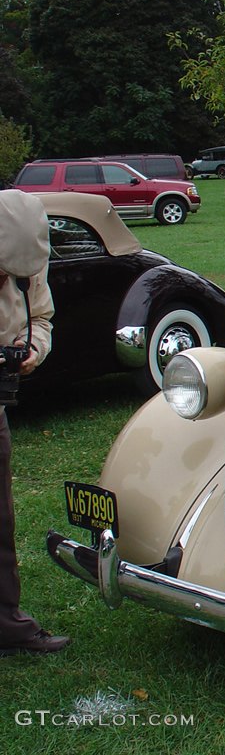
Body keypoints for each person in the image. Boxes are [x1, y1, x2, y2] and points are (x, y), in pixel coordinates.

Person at [0, 190, 68, 657]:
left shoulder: (29, 266)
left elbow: (40, 318)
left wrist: (31, 352)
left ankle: (8, 624)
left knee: (0, 520)